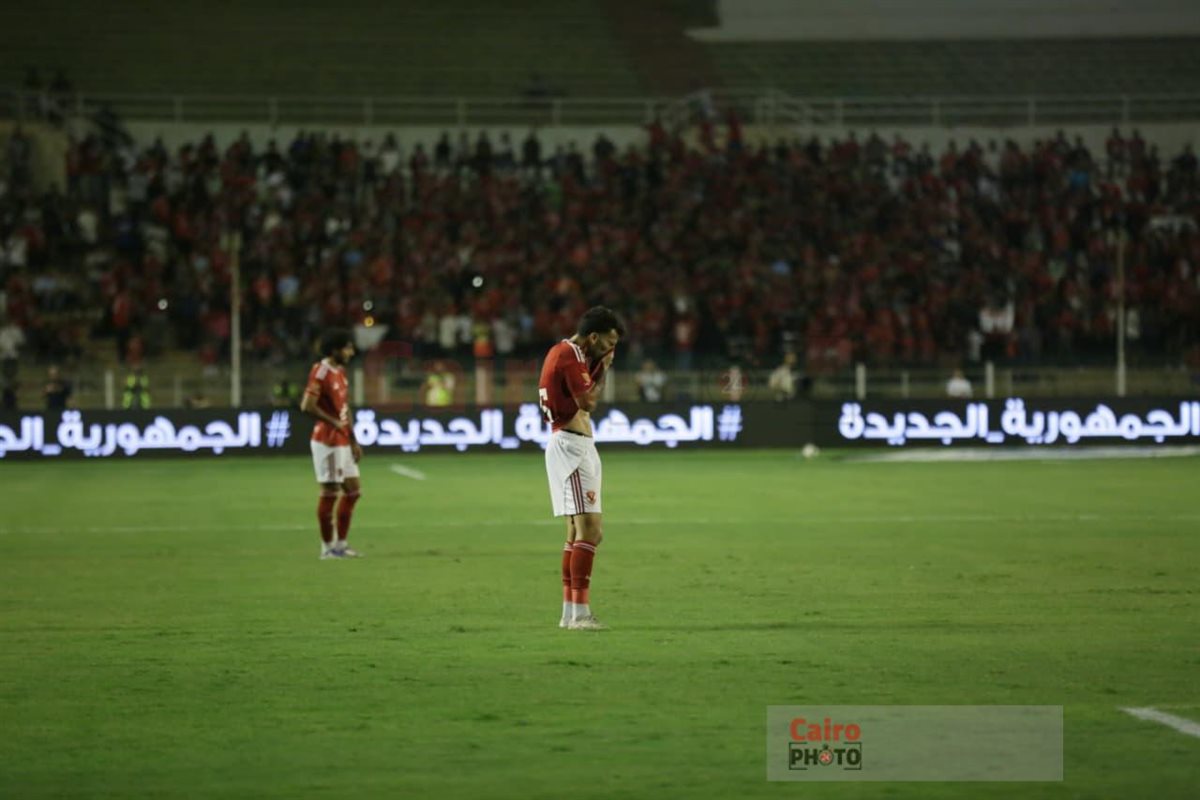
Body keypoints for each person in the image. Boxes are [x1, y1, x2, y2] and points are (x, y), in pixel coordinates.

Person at [538, 306, 624, 631]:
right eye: (609, 344)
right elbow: (588, 402)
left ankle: (569, 613)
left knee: (577, 533)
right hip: (572, 448)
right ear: (594, 337)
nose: (611, 350)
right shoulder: (569, 354)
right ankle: (580, 614)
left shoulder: (567, 353)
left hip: (574, 445)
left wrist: (599, 365)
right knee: (591, 532)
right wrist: (604, 369)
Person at [300, 329, 364, 560]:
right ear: (335, 349)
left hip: (343, 439)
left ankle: (341, 545)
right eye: (347, 348)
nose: (351, 352)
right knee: (330, 493)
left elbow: (345, 408)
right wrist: (333, 422)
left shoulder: (341, 372)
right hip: (327, 440)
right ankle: (327, 548)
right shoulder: (321, 371)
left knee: (353, 491)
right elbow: (307, 405)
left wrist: (353, 439)